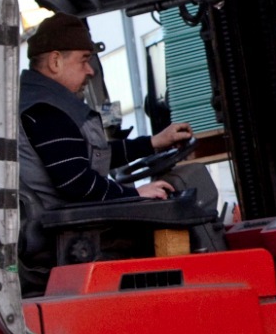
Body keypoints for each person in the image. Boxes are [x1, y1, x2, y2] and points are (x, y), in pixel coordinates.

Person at [18, 12, 195, 214]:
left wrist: (153, 143)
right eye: (83, 60)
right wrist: (135, 194)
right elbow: (78, 184)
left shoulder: (41, 102)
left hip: (67, 221)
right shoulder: (45, 110)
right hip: (66, 227)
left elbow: (90, 156)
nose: (90, 70)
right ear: (55, 61)